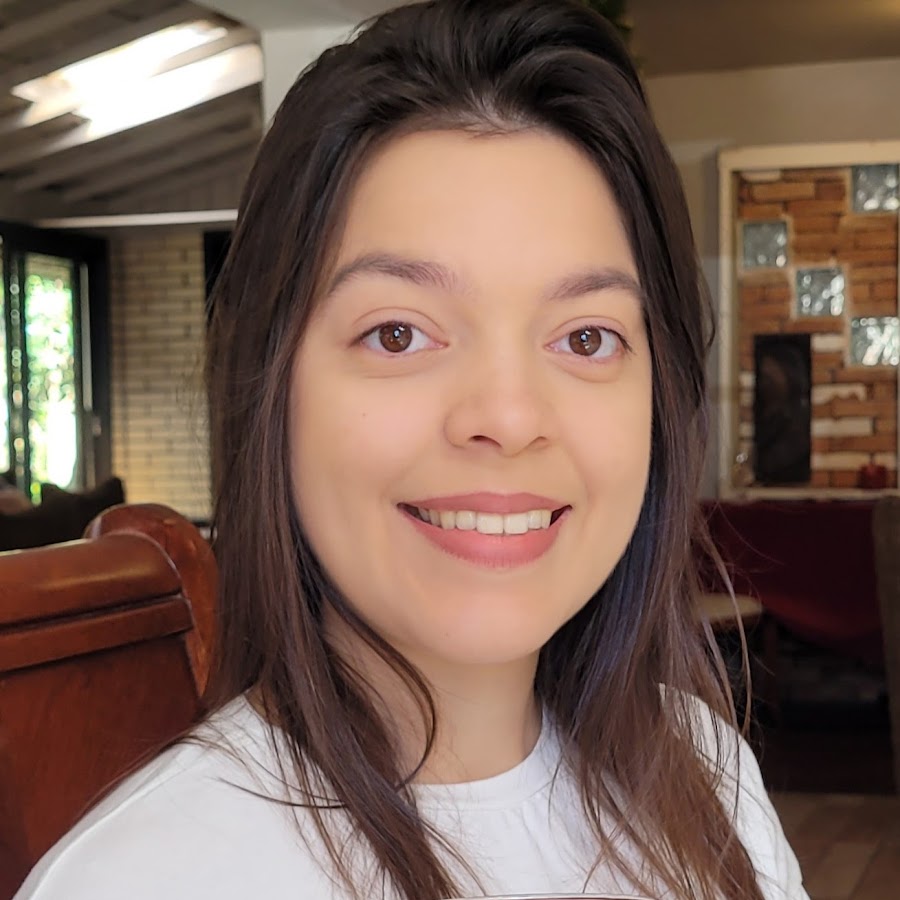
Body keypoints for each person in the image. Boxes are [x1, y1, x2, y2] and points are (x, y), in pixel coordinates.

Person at [16, 1, 809, 898]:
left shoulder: (701, 768)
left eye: (586, 338)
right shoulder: (147, 877)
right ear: (272, 389)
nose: (508, 416)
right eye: (398, 333)